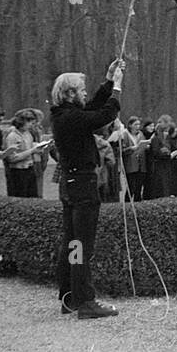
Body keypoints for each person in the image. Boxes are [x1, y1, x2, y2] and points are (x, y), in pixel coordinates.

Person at [51, 59, 124, 320]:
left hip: (73, 185)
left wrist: (107, 80)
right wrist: (116, 89)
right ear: (70, 94)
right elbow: (103, 115)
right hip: (82, 186)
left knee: (73, 242)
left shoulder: (66, 115)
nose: (85, 92)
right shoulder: (69, 117)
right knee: (82, 245)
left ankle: (70, 296)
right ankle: (85, 300)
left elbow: (92, 109)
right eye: (81, 89)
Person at [2, 109, 47, 198]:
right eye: (30, 122)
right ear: (23, 122)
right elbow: (11, 158)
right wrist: (32, 151)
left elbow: (30, 146)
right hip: (18, 172)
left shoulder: (28, 134)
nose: (31, 125)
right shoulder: (12, 136)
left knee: (33, 197)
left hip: (29, 169)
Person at [121, 116, 147, 201]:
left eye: (139, 124)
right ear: (130, 125)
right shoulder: (125, 134)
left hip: (140, 163)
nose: (138, 126)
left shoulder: (141, 134)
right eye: (135, 124)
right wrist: (131, 148)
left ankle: (138, 204)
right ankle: (128, 204)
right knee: (131, 186)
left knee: (139, 187)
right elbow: (122, 150)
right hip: (130, 164)